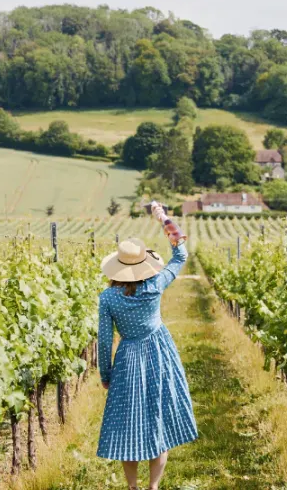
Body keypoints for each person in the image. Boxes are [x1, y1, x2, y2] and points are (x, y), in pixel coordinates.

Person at [96, 201, 198, 490]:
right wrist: (163, 218)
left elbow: (104, 341)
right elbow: (181, 253)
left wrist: (106, 374)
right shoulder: (155, 285)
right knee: (158, 417)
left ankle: (132, 488)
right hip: (158, 351)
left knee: (129, 423)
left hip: (128, 357)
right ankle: (153, 487)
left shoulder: (108, 299)